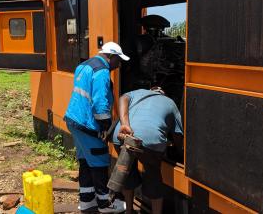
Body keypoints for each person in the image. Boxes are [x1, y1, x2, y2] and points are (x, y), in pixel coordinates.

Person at [64, 42, 129, 213]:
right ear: (111, 56)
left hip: (73, 120)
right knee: (99, 162)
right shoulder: (102, 71)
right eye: (118, 60)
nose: (119, 64)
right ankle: (105, 204)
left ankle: (87, 202)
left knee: (86, 162)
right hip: (87, 125)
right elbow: (100, 103)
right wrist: (105, 128)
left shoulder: (84, 65)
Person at [112, 87, 183, 214]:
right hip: (149, 141)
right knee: (153, 177)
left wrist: (125, 124)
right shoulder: (170, 102)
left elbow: (123, 98)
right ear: (162, 92)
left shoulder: (137, 92)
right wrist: (180, 151)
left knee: (127, 173)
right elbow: (178, 134)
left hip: (121, 137)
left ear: (151, 90)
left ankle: (129, 211)